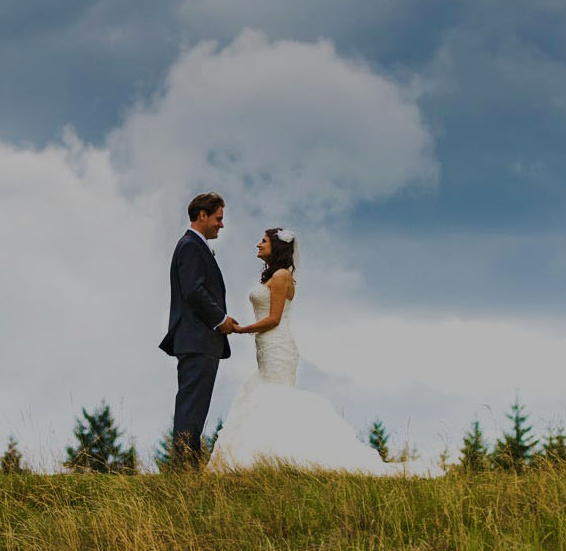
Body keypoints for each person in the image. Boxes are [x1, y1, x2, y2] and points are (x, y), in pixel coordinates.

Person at [205, 227, 439, 476]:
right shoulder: (272, 277)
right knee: (263, 395)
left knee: (274, 398)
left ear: (277, 246)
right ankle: (269, 459)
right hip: (265, 347)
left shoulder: (282, 276)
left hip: (278, 345)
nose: (258, 245)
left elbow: (274, 319)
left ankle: (282, 456)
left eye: (263, 241)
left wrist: (242, 329)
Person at [158, 192, 237, 469]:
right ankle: (184, 470)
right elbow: (194, 291)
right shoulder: (191, 246)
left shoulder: (194, 245)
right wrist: (221, 320)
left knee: (194, 407)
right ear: (202, 215)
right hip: (198, 338)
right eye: (218, 218)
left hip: (199, 340)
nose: (221, 225)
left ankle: (187, 467)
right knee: (191, 408)